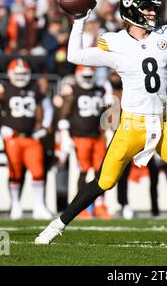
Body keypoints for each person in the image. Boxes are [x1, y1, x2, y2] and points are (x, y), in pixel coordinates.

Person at [35, 0, 167, 247]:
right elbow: (74, 55)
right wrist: (79, 21)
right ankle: (57, 225)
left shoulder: (166, 34)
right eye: (146, 8)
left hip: (164, 121)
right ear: (132, 10)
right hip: (132, 124)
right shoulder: (115, 42)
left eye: (153, 7)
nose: (152, 12)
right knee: (104, 181)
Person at [0, 58, 52, 220]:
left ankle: (39, 206)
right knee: (15, 172)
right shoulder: (4, 89)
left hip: (31, 137)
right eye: (18, 74)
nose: (21, 77)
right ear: (10, 74)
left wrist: (44, 127)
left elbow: (47, 107)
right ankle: (15, 205)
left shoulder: (34, 87)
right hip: (13, 138)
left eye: (24, 74)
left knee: (38, 172)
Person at [57, 66, 112, 219]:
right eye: (85, 77)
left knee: (101, 172)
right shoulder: (72, 90)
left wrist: (107, 129)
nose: (88, 80)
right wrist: (65, 135)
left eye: (90, 77)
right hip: (80, 136)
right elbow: (64, 114)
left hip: (97, 136)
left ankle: (99, 205)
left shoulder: (100, 89)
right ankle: (80, 207)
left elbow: (104, 113)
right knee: (83, 170)